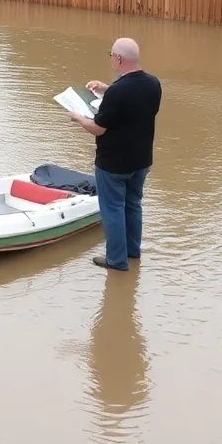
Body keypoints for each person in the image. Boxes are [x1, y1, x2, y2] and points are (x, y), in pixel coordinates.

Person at [68, 37, 162, 272]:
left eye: (111, 55)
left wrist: (80, 118)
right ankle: (132, 252)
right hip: (141, 161)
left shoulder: (119, 92)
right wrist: (106, 89)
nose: (111, 58)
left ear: (119, 59)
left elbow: (98, 128)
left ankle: (117, 261)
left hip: (113, 164)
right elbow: (133, 99)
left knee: (112, 210)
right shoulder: (153, 84)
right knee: (133, 205)